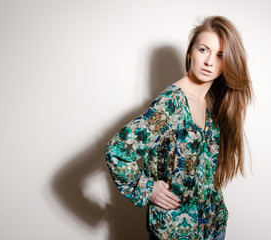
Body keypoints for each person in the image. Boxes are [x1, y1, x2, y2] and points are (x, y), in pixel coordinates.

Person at [104, 16, 252, 240]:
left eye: (220, 55)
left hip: (214, 227)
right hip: (174, 233)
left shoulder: (212, 101)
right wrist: (146, 187)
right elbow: (117, 151)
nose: (209, 61)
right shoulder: (171, 104)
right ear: (191, 52)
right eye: (204, 50)